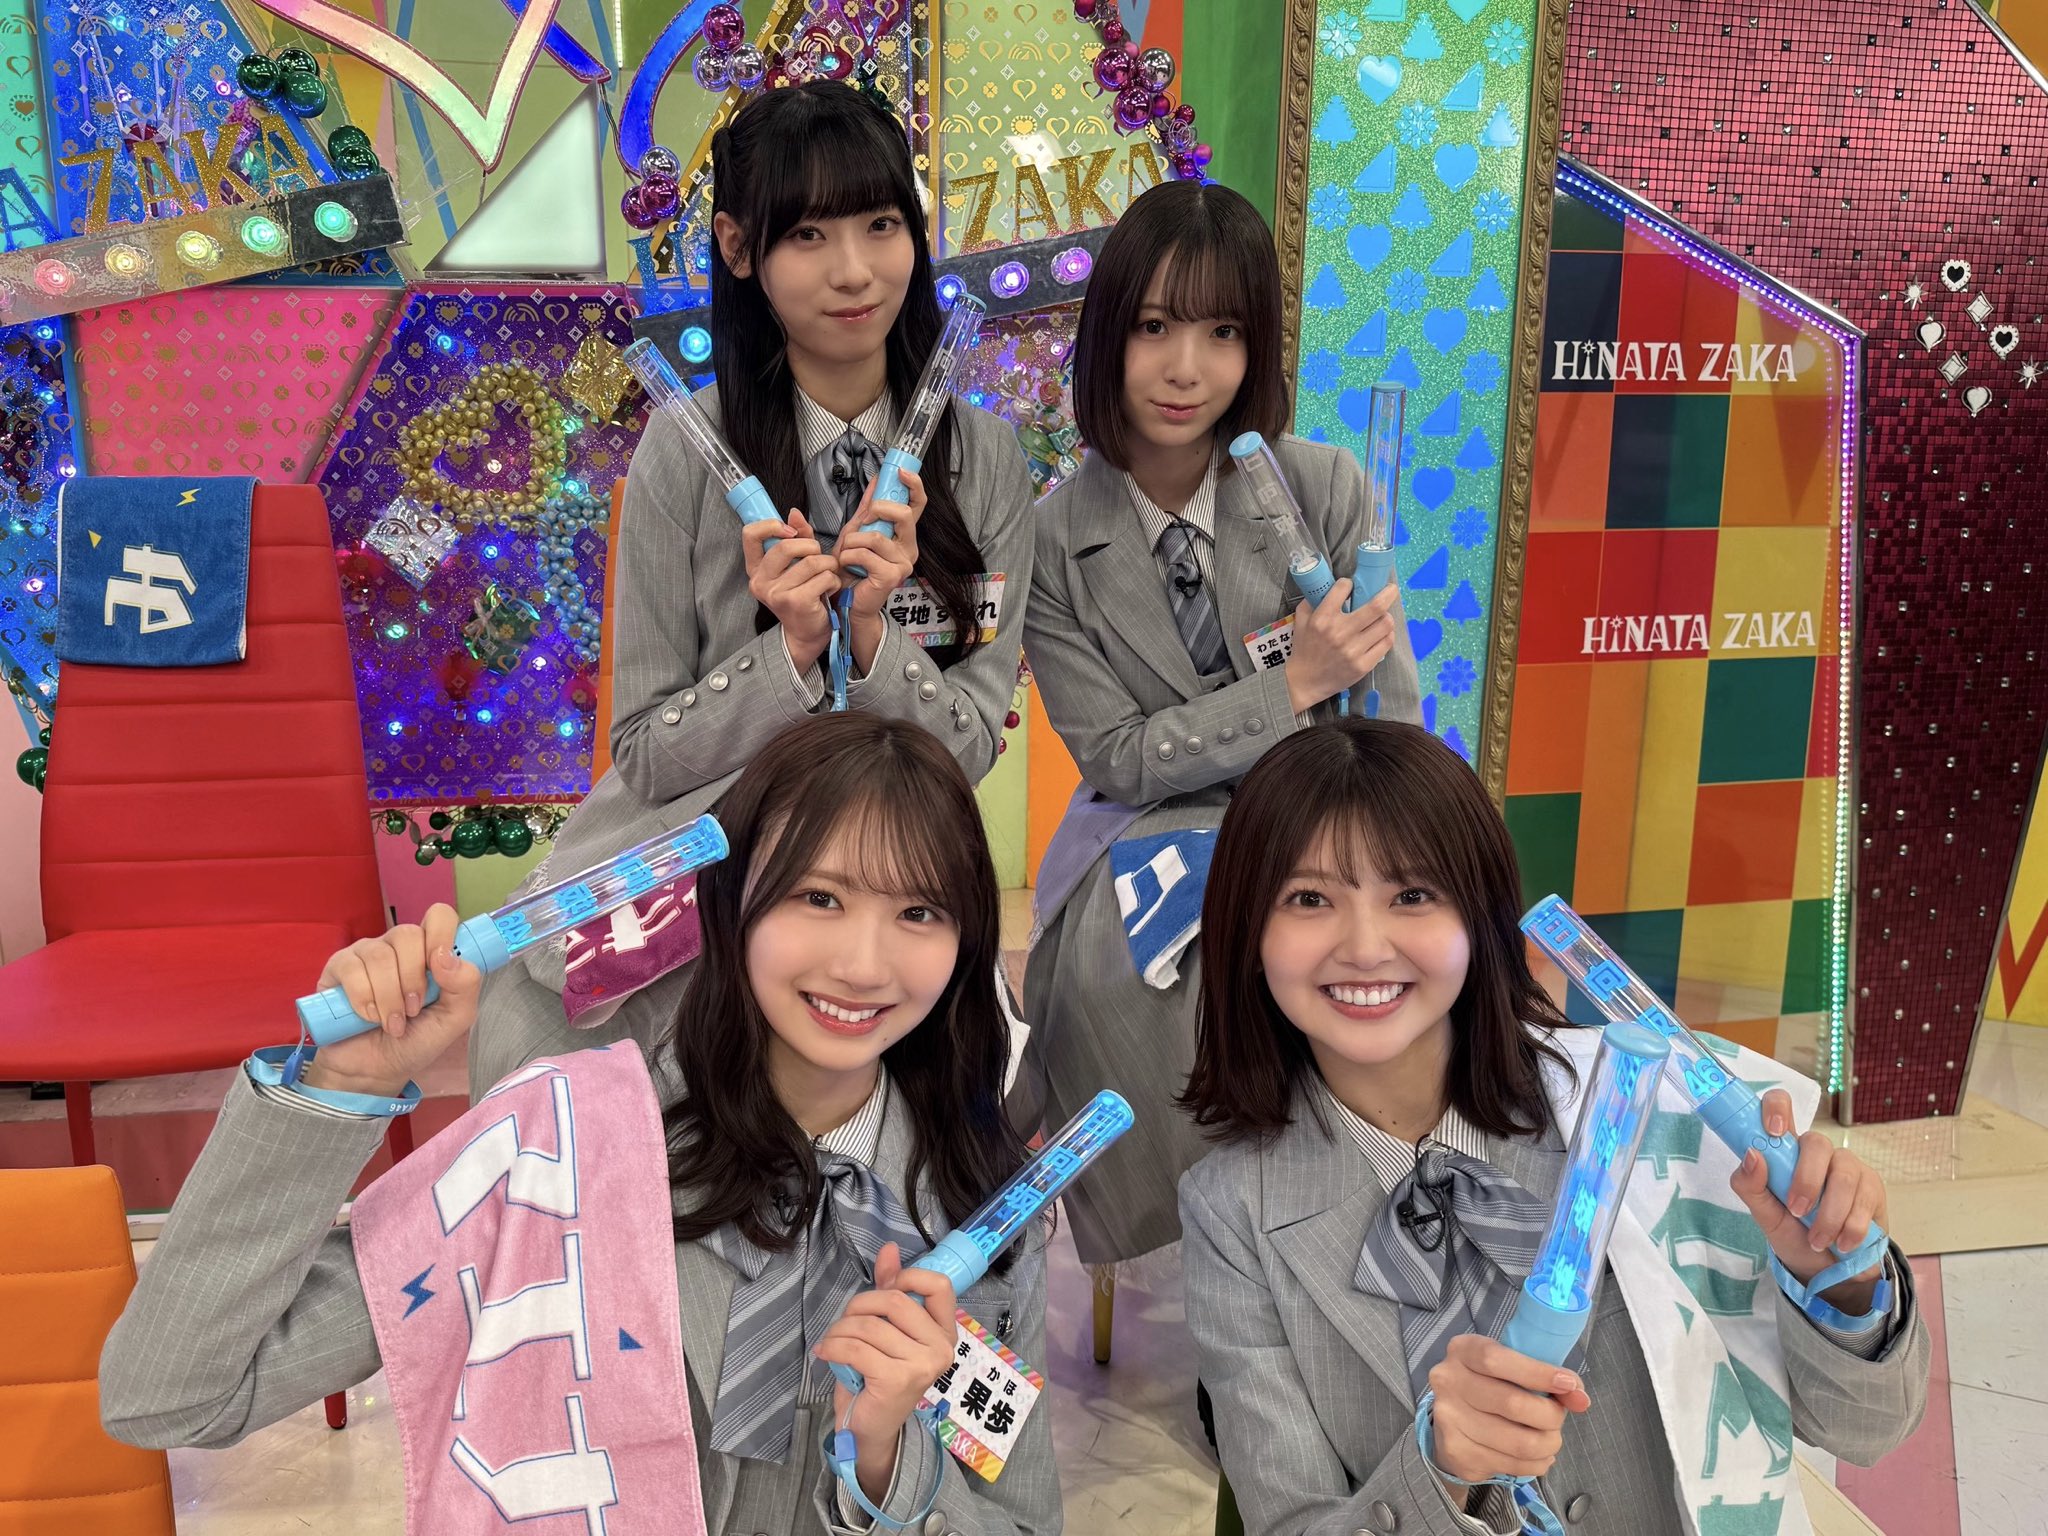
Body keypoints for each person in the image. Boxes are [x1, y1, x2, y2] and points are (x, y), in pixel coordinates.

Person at [101, 714, 1060, 1535]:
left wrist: (890, 1466)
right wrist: (341, 1087)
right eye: (819, 896)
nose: (864, 964)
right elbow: (170, 1394)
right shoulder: (558, 1150)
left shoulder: (979, 1202)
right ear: (729, 902)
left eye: (920, 912)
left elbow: (1023, 1518)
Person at [1178, 718, 1929, 1535]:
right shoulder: (1231, 1211)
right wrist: (1442, 1475)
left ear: (1479, 916)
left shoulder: (1643, 1113)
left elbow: (1864, 1430)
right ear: (1249, 931)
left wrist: (1839, 1281)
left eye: (1412, 895)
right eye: (1309, 898)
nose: (1364, 947)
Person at [469, 80, 1035, 1091]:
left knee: (978, 1097)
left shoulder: (985, 458)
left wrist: (873, 639)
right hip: (699, 873)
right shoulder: (684, 447)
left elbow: (967, 751)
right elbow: (646, 756)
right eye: (808, 235)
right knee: (550, 1062)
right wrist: (790, 654)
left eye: (881, 225)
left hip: (891, 882)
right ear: (737, 247)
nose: (854, 270)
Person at [1017, 177, 1421, 1271]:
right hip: (1141, 827)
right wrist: (1288, 690)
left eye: (1222, 333)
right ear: (1108, 336)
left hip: (1322, 808)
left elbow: (1386, 709)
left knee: (1403, 952)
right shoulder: (1051, 538)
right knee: (1140, 982)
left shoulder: (1321, 486)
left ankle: (1370, 1225)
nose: (1185, 368)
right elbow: (1119, 757)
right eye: (1153, 327)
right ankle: (1208, 1252)